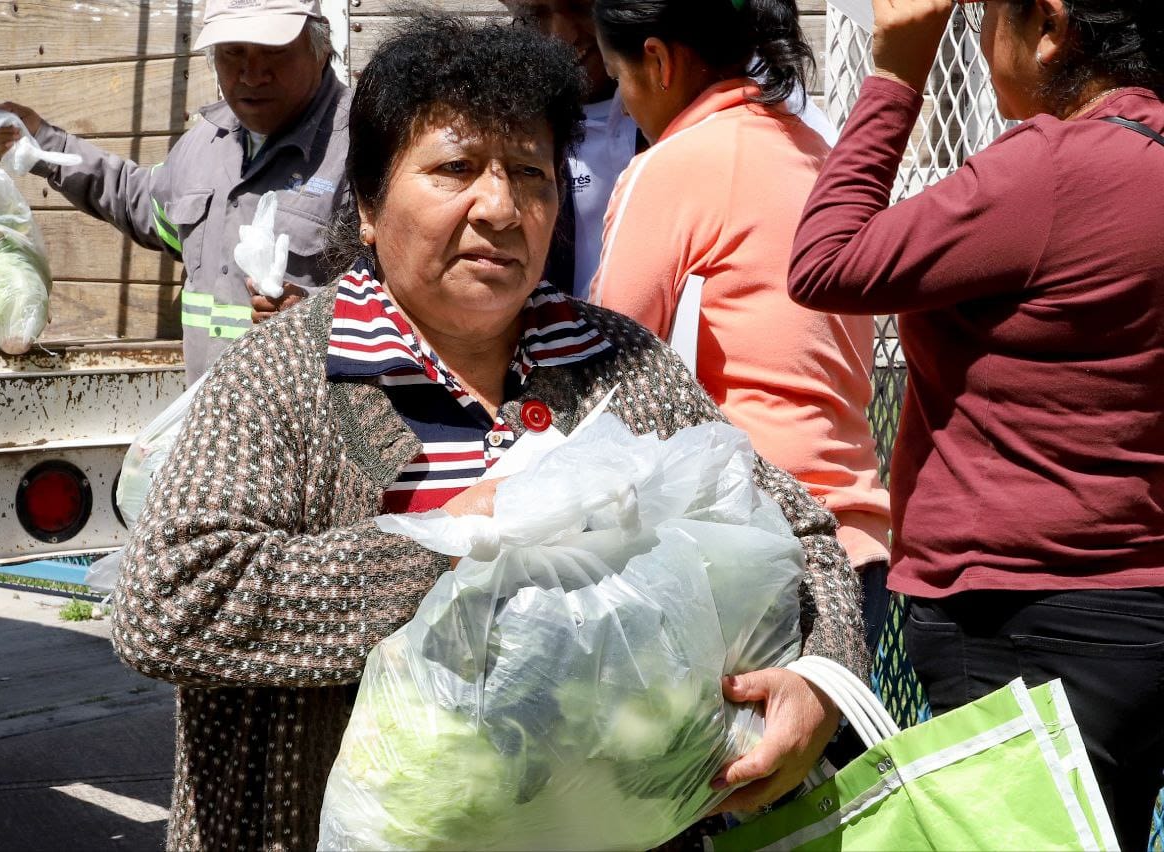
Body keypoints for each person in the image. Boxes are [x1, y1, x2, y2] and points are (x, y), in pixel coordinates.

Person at [110, 14, 867, 849]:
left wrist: (820, 676)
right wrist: (445, 547)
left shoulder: (616, 362)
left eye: (531, 174)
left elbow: (798, 526)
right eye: (458, 168)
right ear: (367, 203)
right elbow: (167, 603)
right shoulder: (291, 378)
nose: (502, 208)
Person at [787, 0, 1164, 847]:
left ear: (1052, 23)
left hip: (1019, 616)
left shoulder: (1057, 169)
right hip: (1139, 612)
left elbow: (824, 260)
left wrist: (895, 73)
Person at [588, 0, 893, 649]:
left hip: (746, 559)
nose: (624, 105)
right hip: (858, 547)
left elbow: (602, 375)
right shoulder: (822, 154)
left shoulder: (673, 166)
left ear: (658, 61)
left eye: (618, 80)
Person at [0, 0, 349, 383]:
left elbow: (409, 307)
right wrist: (47, 146)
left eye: (274, 50)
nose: (252, 74)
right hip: (211, 427)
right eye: (233, 52)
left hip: (315, 434)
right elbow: (141, 201)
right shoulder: (208, 142)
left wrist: (317, 320)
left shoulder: (367, 146)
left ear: (321, 43)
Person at [506, 0, 839, 301]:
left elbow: (621, 334)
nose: (560, 36)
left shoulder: (771, 106)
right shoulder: (505, 111)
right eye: (534, 14)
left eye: (579, 8)